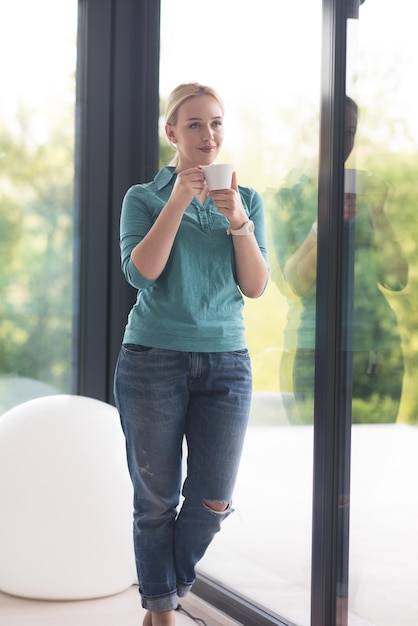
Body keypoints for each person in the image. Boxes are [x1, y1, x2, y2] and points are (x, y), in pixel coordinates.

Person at [113, 82, 269, 626]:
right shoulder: (144, 197)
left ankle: (166, 587)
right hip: (152, 359)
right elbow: (142, 271)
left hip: (227, 363)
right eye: (197, 124)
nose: (209, 135)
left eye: (218, 123)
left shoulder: (247, 200)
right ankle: (162, 614)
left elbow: (255, 286)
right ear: (172, 132)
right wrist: (178, 199)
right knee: (154, 500)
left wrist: (237, 222)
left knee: (213, 499)